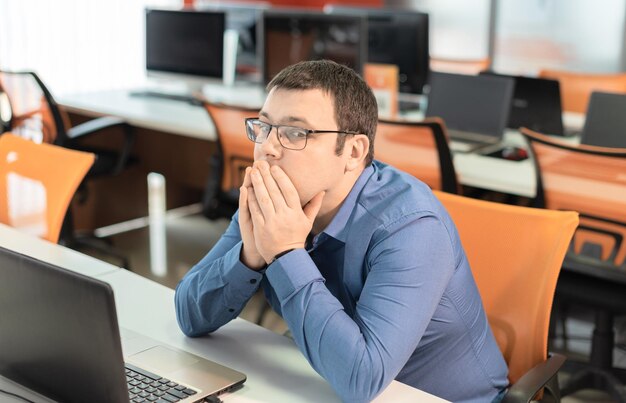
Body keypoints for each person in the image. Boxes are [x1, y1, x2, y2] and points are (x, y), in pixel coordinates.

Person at [175, 60, 508, 402]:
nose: (268, 148)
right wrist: (250, 256)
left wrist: (286, 252)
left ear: (353, 151)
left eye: (295, 132)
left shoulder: (412, 227)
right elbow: (189, 315)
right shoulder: (274, 202)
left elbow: (361, 380)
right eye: (264, 126)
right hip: (324, 383)